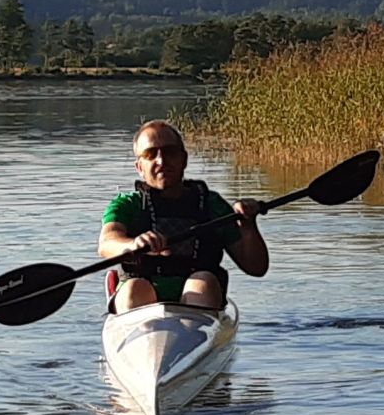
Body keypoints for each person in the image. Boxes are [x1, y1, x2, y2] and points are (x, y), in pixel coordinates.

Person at [98, 120, 268, 313]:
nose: (161, 161)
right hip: (139, 296)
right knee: (136, 289)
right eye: (151, 154)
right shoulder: (126, 205)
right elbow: (106, 243)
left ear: (184, 159)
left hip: (199, 299)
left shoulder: (212, 205)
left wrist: (248, 225)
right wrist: (132, 244)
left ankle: (195, 333)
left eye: (170, 152)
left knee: (203, 283)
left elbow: (256, 267)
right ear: (139, 166)